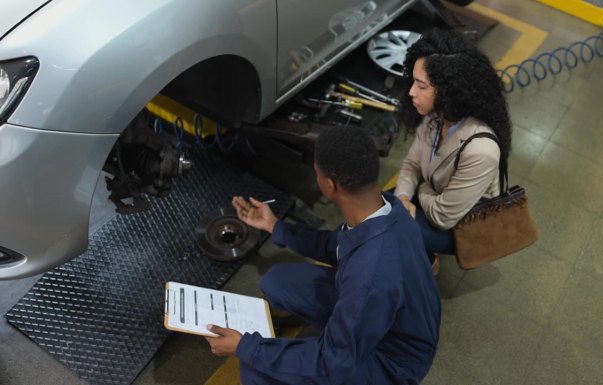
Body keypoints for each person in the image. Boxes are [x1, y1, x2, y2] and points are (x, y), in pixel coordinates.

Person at [205, 126, 441, 384]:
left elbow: (333, 362)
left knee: (255, 371)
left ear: (330, 185)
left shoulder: (371, 274)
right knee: (278, 282)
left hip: (393, 362)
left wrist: (245, 348)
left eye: (317, 173)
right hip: (390, 319)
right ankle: (341, 333)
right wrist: (275, 226)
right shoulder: (386, 209)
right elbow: (336, 245)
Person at [394, 28, 513, 271]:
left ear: (448, 91)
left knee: (387, 220)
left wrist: (421, 188)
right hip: (436, 199)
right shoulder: (436, 116)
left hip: (460, 228)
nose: (411, 92)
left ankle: (426, 263)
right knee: (387, 205)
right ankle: (420, 253)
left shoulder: (481, 150)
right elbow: (411, 165)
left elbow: (442, 217)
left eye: (421, 86)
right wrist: (404, 198)